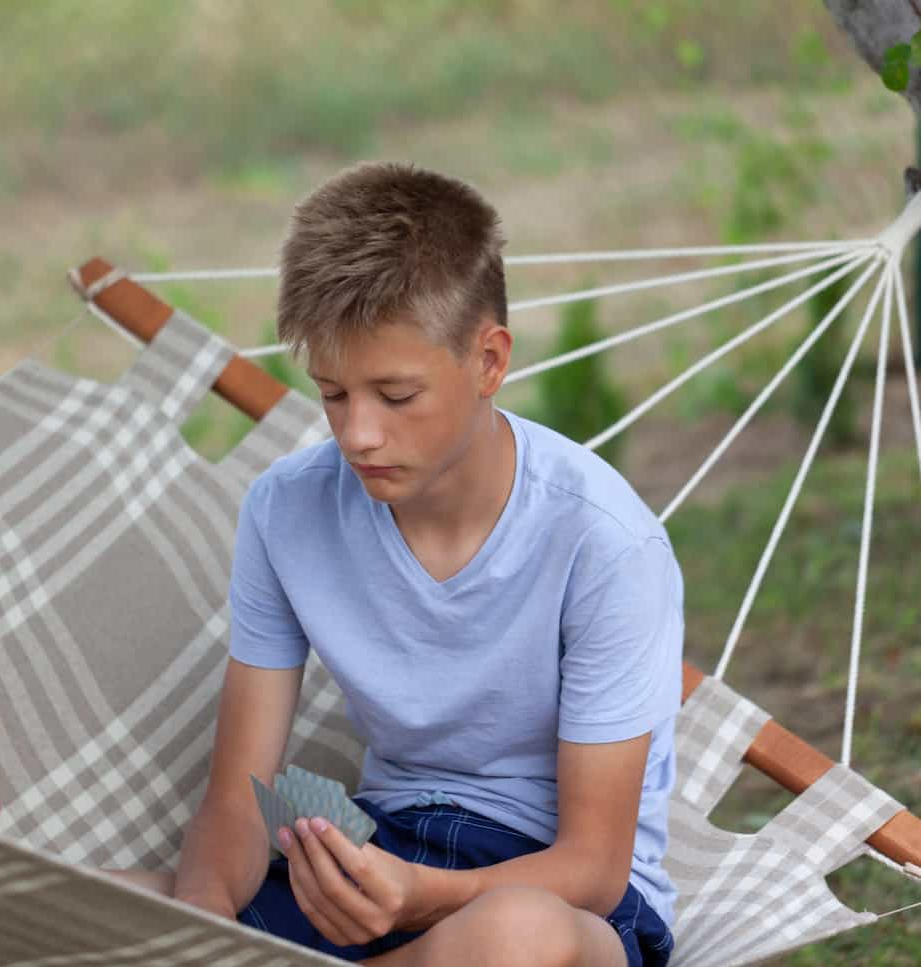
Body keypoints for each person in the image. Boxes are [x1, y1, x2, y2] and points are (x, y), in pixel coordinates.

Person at [166, 163, 682, 966]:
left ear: (488, 361)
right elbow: (237, 798)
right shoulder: (286, 510)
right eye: (333, 394)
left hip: (561, 900)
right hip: (383, 850)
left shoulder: (605, 541)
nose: (357, 433)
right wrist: (198, 923)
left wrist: (422, 893)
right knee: (110, 902)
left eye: (395, 396)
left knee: (516, 936)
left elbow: (595, 867)